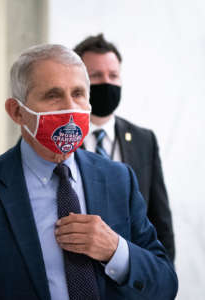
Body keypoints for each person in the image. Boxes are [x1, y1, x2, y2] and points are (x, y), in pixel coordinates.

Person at [0, 44, 177, 300]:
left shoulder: (119, 179)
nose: (70, 108)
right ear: (17, 112)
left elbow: (165, 283)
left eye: (78, 94)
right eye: (53, 95)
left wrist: (115, 250)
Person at [74, 34, 175, 262]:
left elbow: (160, 219)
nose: (106, 82)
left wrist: (163, 278)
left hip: (131, 274)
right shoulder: (62, 138)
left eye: (113, 75)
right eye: (96, 76)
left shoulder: (144, 140)